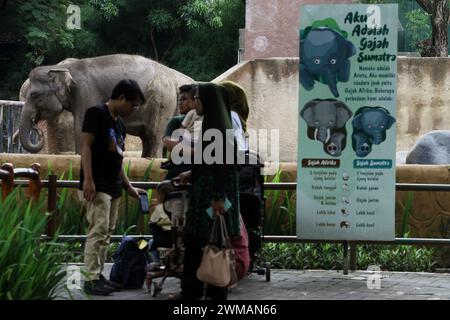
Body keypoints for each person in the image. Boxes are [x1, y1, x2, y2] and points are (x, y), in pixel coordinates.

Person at [170, 82, 240, 301]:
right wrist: (192, 173)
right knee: (209, 242)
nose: (195, 102)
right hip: (208, 194)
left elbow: (221, 167)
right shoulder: (215, 124)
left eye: (198, 98)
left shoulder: (217, 129)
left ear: (208, 101)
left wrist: (218, 198)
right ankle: (213, 290)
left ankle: (194, 292)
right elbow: (210, 160)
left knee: (198, 242)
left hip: (211, 199)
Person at [79, 79, 147, 296]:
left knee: (107, 232)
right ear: (121, 98)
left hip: (114, 186)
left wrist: (129, 187)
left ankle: (98, 276)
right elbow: (85, 147)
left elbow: (118, 160)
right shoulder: (96, 113)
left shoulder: (119, 125)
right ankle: (89, 280)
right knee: (97, 230)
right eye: (133, 105)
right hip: (97, 184)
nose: (133, 110)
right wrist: (88, 179)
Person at [161, 84, 196, 180]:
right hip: (177, 170)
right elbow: (167, 143)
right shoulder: (176, 121)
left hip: (193, 170)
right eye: (179, 100)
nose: (180, 103)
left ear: (194, 101)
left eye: (184, 99)